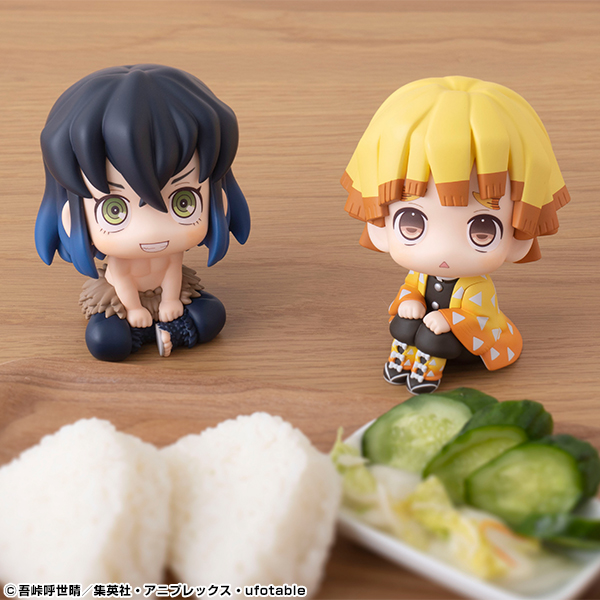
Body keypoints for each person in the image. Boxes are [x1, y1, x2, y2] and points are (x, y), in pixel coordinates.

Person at [342, 76, 569, 393]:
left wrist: (448, 320)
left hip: (469, 342)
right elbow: (410, 290)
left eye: (483, 229)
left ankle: (427, 373)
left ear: (520, 233)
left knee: (433, 335)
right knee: (404, 323)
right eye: (412, 222)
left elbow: (481, 318)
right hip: (430, 329)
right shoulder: (419, 276)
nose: (444, 250)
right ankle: (401, 362)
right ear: (379, 220)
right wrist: (409, 301)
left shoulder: (477, 288)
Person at [35, 64, 250, 361]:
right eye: (114, 209)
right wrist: (134, 309)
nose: (151, 230)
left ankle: (167, 332)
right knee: (105, 340)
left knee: (211, 314)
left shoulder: (171, 252)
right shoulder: (121, 261)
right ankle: (149, 333)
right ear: (70, 216)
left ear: (218, 199)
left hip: (168, 294)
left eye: (183, 202)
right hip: (121, 300)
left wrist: (171, 301)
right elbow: (122, 280)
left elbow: (173, 271)